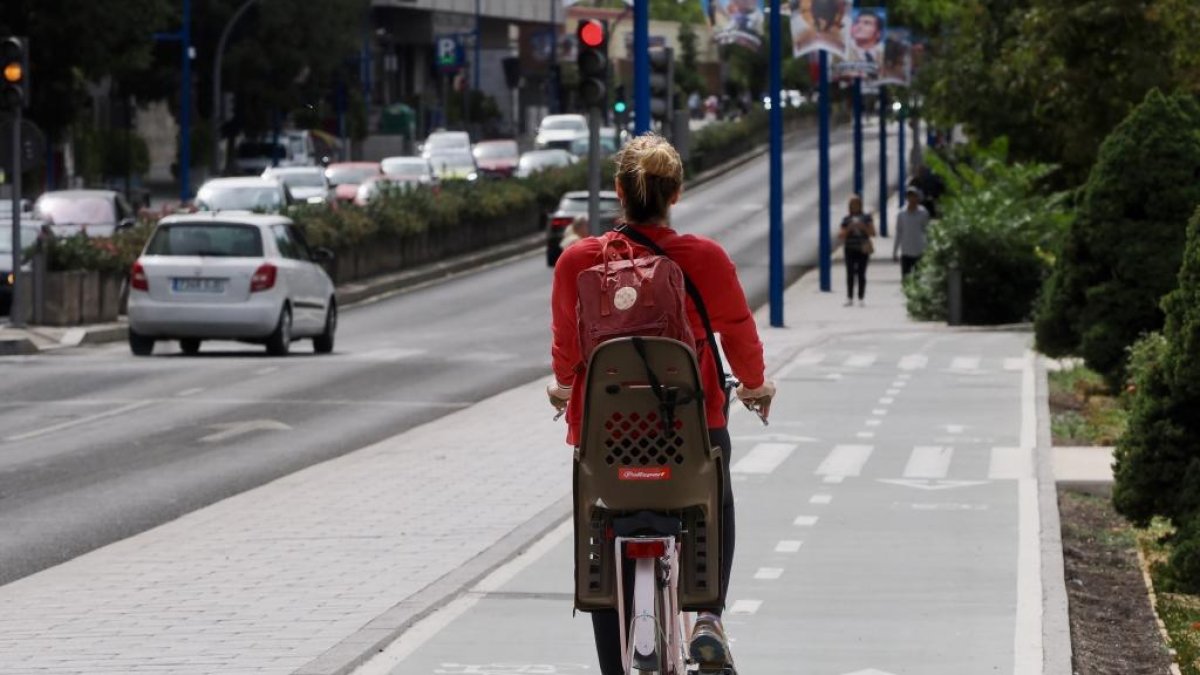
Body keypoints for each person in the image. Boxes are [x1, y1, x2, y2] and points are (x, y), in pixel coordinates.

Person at [547, 133, 775, 674]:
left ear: (619, 191)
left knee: (601, 534)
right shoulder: (707, 258)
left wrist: (561, 384)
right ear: (675, 193)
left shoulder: (579, 261)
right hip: (690, 438)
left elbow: (567, 351)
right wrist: (755, 385)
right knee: (715, 498)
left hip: (607, 445)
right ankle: (708, 618)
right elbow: (740, 335)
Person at [838, 194, 876, 306]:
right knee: (850, 273)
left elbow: (873, 233)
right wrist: (849, 228)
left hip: (863, 249)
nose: (854, 206)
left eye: (856, 204)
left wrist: (863, 227)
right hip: (850, 248)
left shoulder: (866, 217)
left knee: (861, 273)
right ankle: (849, 297)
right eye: (852, 204)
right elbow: (841, 235)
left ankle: (861, 297)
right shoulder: (846, 219)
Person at [894, 187, 931, 279]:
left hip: (919, 250)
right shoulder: (901, 213)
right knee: (905, 278)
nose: (912, 199)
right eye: (909, 196)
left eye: (914, 196)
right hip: (906, 251)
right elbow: (899, 232)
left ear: (917, 198)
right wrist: (895, 251)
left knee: (918, 278)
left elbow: (927, 230)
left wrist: (929, 249)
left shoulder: (923, 213)